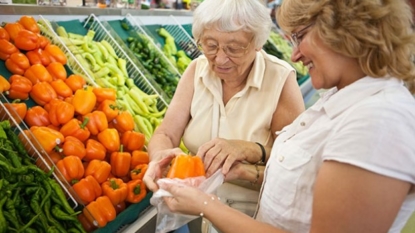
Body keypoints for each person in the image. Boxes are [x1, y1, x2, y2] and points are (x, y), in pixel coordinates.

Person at [157, 0, 415, 232]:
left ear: (345, 31)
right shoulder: (341, 102)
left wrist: (206, 204)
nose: (294, 55)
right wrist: (241, 171)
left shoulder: (379, 121)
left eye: (300, 36)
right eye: (211, 45)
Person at [143, 0, 305, 232]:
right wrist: (159, 155)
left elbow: (295, 165)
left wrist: (249, 150)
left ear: (257, 43)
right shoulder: (196, 70)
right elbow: (166, 132)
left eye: (234, 48)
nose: (219, 59)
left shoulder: (280, 79)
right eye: (210, 45)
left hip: (251, 219)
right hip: (189, 215)